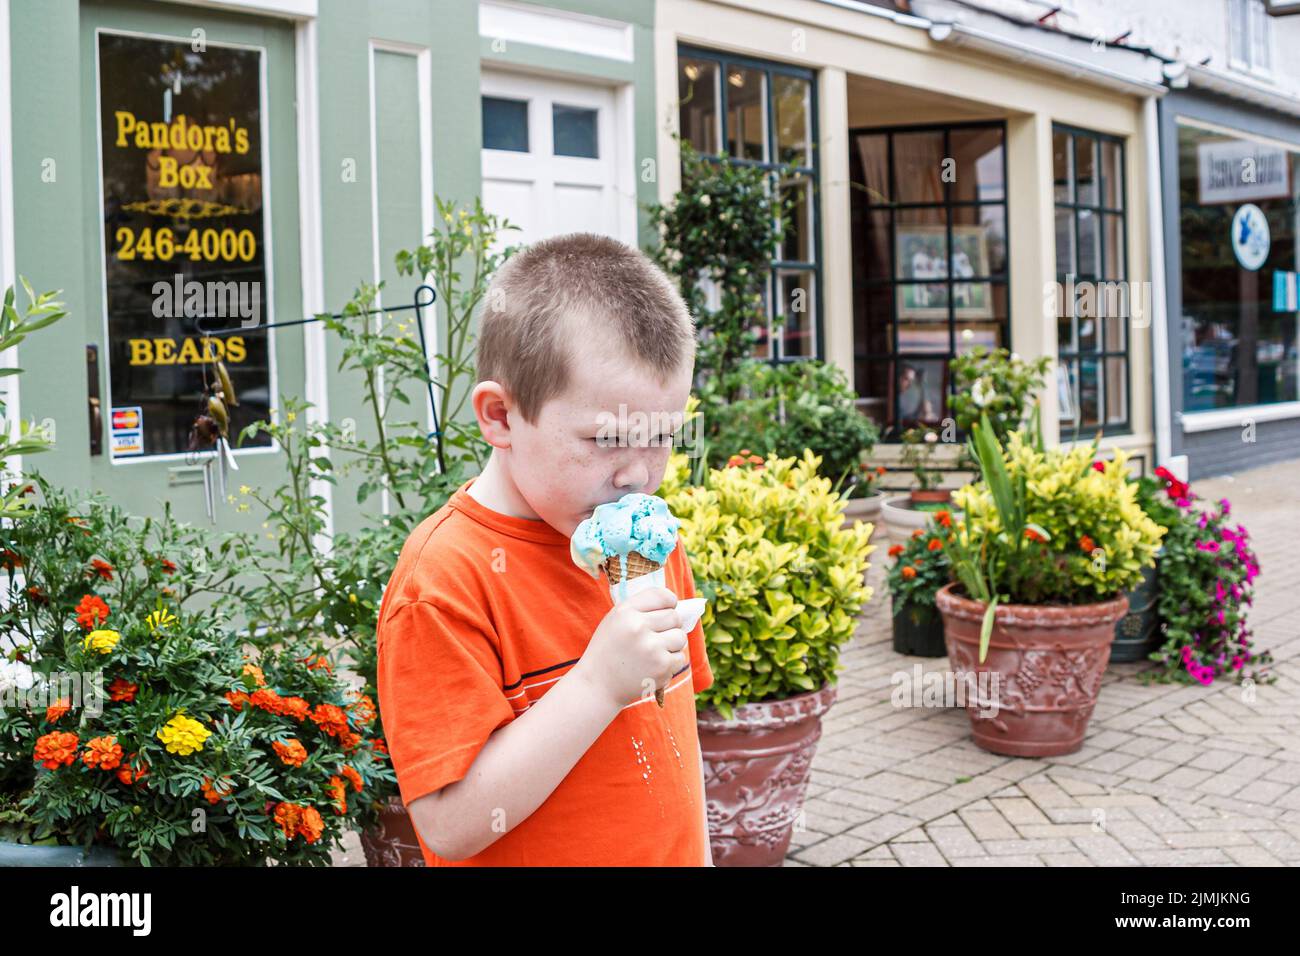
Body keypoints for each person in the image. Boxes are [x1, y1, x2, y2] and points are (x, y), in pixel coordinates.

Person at [375, 233, 714, 866]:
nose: (637, 475)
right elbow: (448, 824)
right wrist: (597, 684)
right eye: (607, 437)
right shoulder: (445, 582)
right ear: (500, 416)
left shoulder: (655, 545)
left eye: (662, 435)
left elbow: (679, 734)